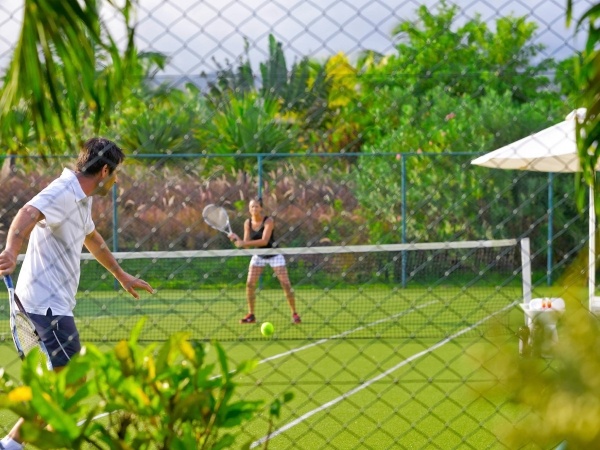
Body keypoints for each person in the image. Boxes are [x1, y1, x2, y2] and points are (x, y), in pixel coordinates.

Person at [0, 137, 154, 450]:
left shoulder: (81, 198)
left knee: (65, 383)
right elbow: (28, 212)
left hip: (53, 306)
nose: (116, 181)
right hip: (45, 306)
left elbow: (92, 239)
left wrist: (121, 274)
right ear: (105, 171)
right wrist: (11, 250)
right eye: (116, 173)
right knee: (71, 381)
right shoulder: (63, 191)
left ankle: (12, 445)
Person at [228, 198, 301, 324]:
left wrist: (243, 243)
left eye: (256, 206)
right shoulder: (247, 223)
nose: (254, 209)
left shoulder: (268, 221)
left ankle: (294, 313)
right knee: (250, 284)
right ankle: (251, 315)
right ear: (249, 209)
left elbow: (264, 241)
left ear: (261, 208)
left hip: (274, 255)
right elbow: (246, 245)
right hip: (259, 256)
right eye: (252, 207)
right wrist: (236, 240)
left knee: (285, 284)